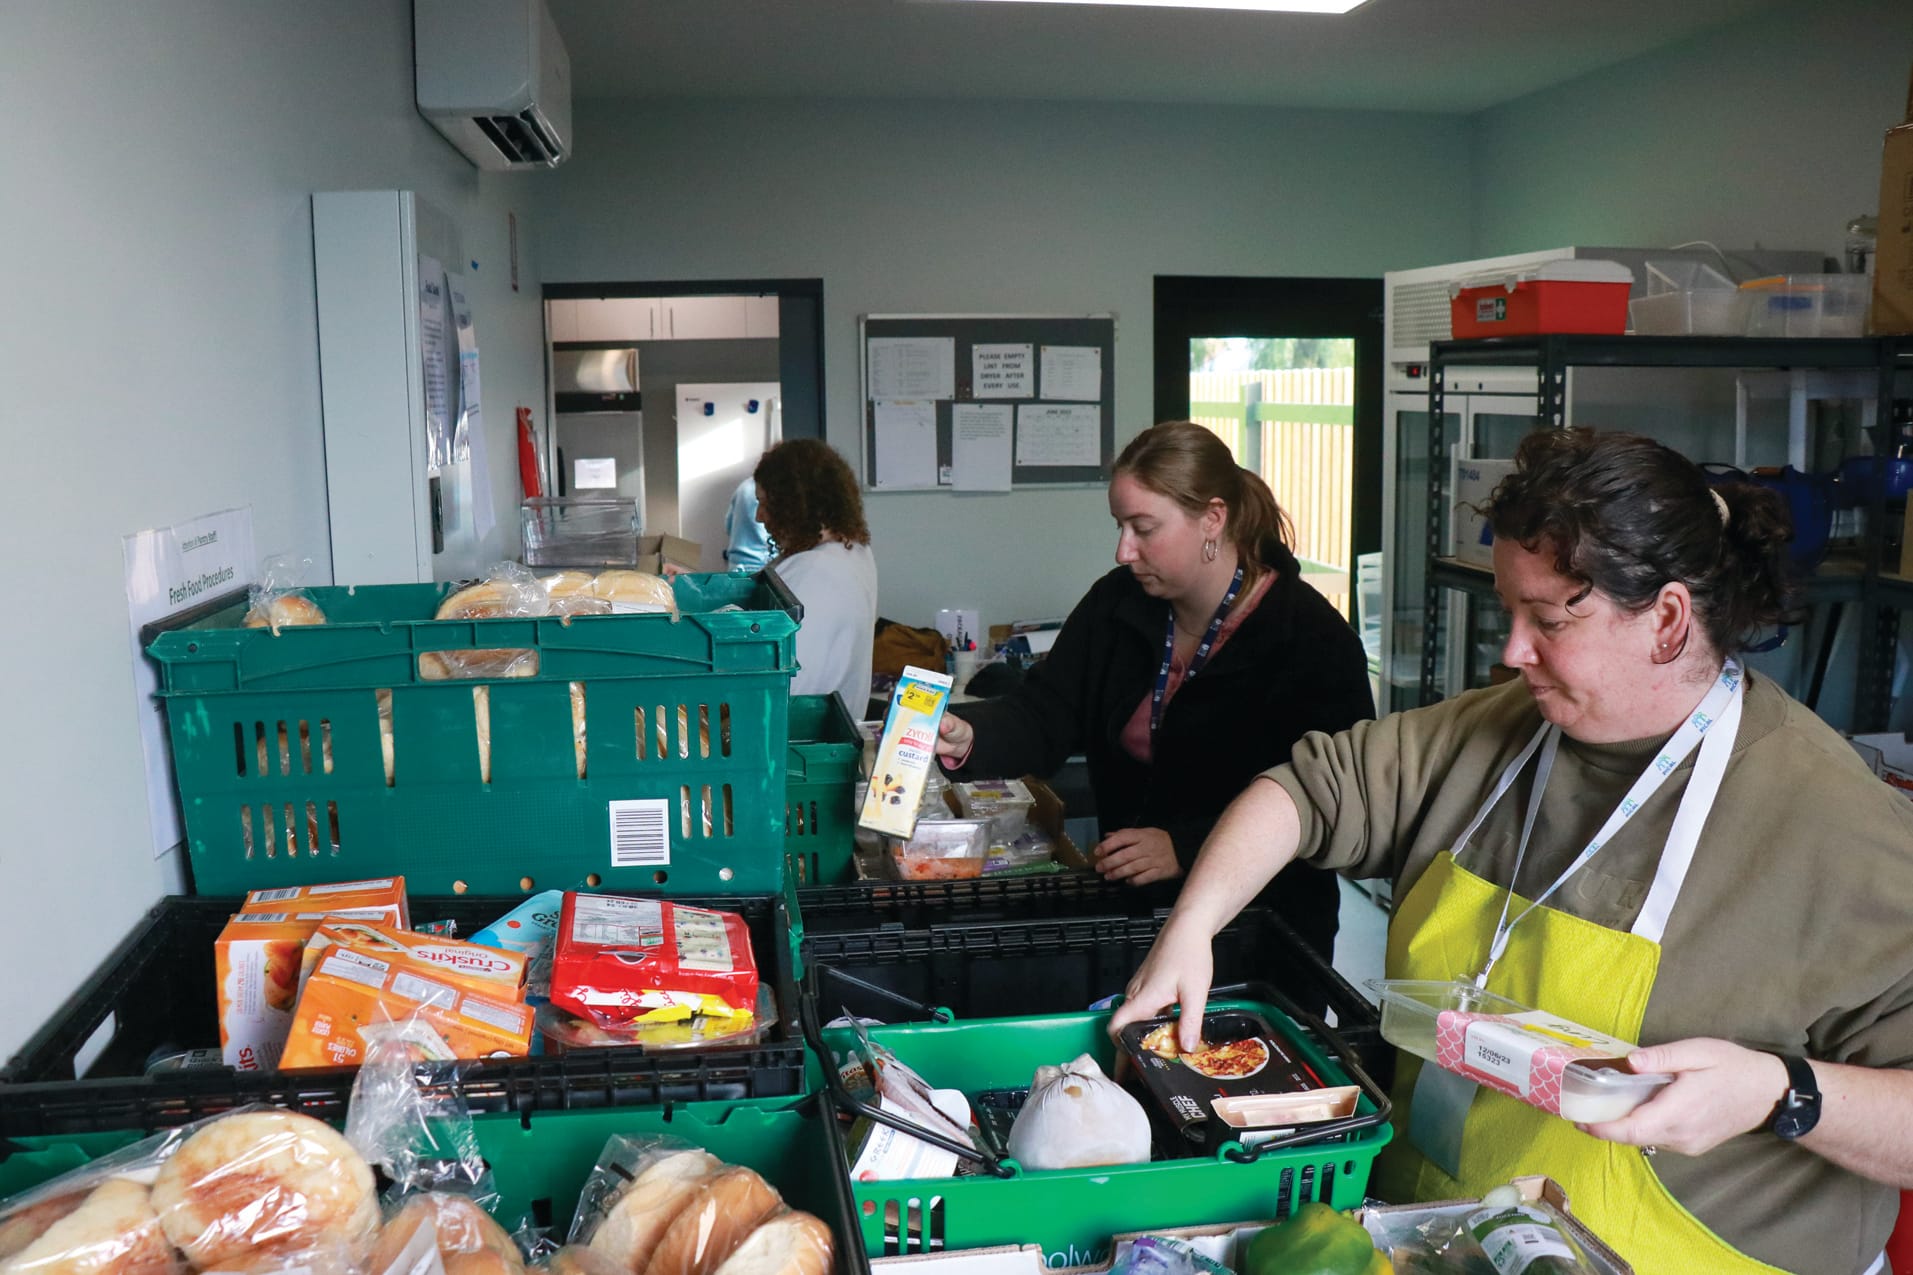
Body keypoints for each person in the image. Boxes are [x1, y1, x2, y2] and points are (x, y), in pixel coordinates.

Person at [1112, 428, 1913, 1275]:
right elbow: (1304, 790)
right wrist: (1192, 925)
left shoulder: (1836, 827)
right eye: (1508, 611)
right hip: (1438, 1241)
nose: (1510, 651)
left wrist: (1781, 1093)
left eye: (1547, 618)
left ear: (1668, 619)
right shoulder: (1495, 735)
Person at [934, 420, 1374, 962]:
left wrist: (1187, 848)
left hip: (1262, 932)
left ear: (1212, 519)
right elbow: (1045, 712)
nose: (1124, 550)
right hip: (1134, 916)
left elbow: (1333, 802)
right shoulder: (1115, 606)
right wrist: (971, 734)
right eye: (1120, 526)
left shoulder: (1310, 640)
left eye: (1144, 528)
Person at [753, 439, 878, 712]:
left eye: (764, 502)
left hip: (795, 737)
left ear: (792, 503)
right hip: (831, 727)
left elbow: (787, 680)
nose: (759, 516)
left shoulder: (814, 570)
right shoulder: (853, 552)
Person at [722, 476, 776, 574]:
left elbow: (728, 526)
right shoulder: (772, 488)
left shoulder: (744, 487)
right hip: (761, 567)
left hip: (735, 567)